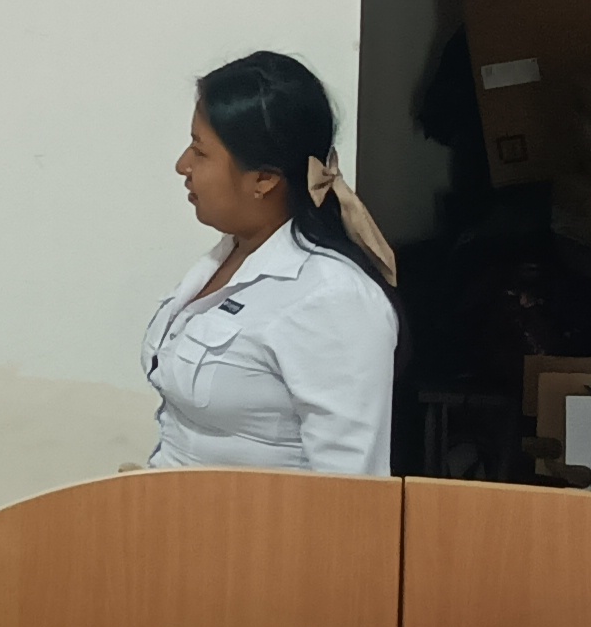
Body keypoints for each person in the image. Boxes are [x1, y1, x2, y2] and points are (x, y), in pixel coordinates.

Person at [143, 51, 400, 476]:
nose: (182, 166)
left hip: (248, 520)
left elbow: (351, 490)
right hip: (171, 507)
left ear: (264, 179)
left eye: (200, 152)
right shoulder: (230, 254)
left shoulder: (333, 298)